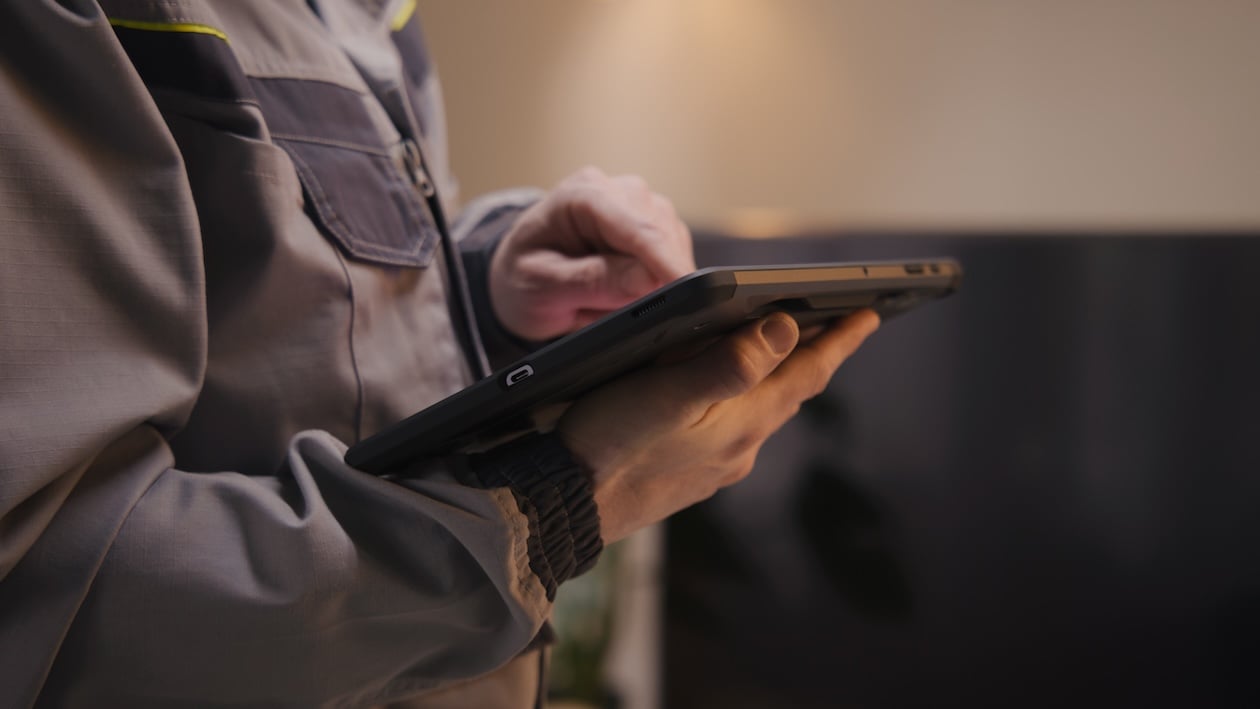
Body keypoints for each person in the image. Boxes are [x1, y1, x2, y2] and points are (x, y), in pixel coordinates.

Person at [0, 1, 879, 707]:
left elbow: (298, 329)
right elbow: (46, 604)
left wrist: (486, 283)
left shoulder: (374, 16)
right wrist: (562, 498)